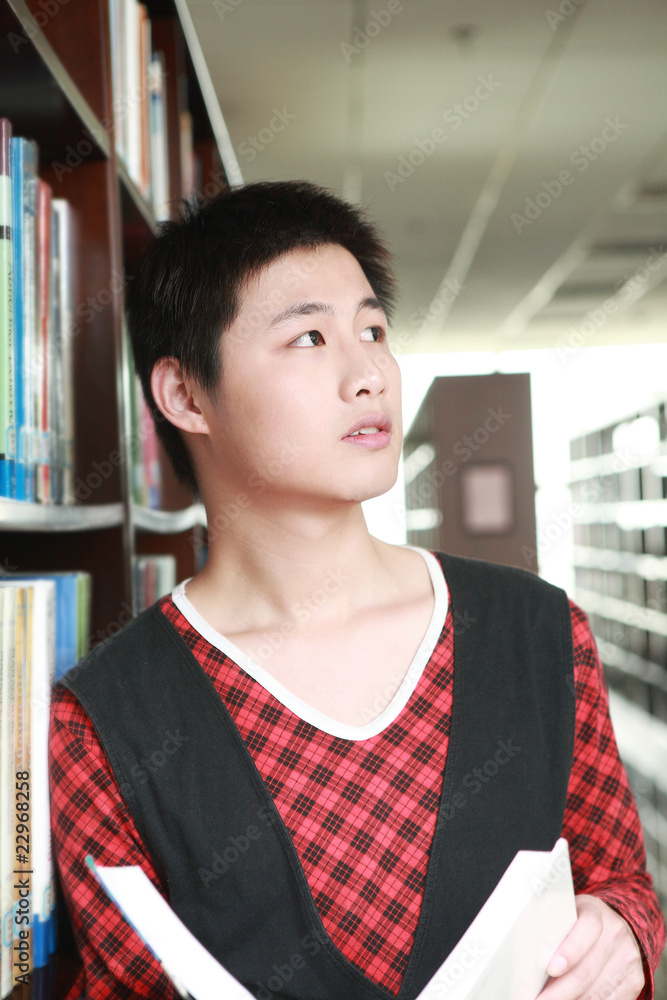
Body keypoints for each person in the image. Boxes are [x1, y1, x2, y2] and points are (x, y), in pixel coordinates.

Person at [50, 180, 665, 1000]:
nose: (368, 372)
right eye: (308, 337)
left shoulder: (538, 633)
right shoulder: (104, 719)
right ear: (185, 395)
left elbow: (620, 882)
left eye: (372, 329)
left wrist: (625, 934)